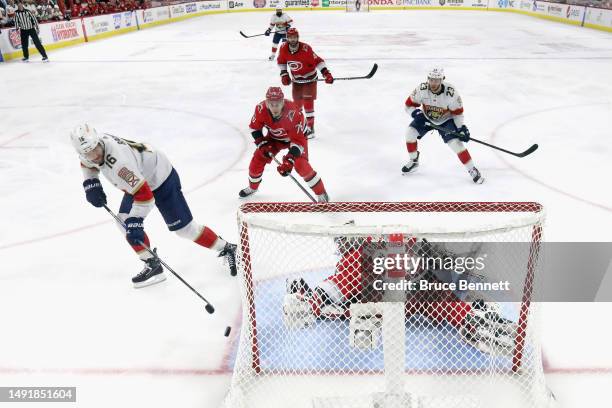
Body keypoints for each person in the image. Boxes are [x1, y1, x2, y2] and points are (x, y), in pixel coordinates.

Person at [283, 234, 516, 355]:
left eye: (343, 244)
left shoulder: (354, 259)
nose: (341, 249)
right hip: (416, 293)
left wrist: (311, 301)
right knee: (443, 302)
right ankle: (474, 319)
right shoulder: (377, 245)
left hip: (394, 301)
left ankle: (474, 318)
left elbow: (334, 288)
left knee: (351, 306)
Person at [70, 124, 237, 288]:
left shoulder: (120, 165)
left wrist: (136, 220)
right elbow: (87, 164)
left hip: (161, 178)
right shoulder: (90, 149)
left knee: (185, 230)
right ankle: (152, 264)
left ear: (98, 141)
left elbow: (145, 196)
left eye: (95, 150)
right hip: (139, 177)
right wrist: (91, 182)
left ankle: (228, 248)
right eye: (88, 153)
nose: (94, 156)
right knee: (123, 221)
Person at [238, 86, 329, 203]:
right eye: (271, 104)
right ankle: (252, 187)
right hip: (275, 138)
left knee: (300, 165)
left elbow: (298, 142)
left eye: (277, 104)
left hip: (297, 139)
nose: (274, 107)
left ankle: (321, 193)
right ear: (266, 103)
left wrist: (289, 160)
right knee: (258, 158)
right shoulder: (260, 109)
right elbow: (254, 128)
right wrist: (262, 144)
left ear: (283, 102)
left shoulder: (293, 112)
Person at [403, 68, 484, 184]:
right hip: (426, 118)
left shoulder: (451, 93)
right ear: (428, 79)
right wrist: (415, 113)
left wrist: (461, 128)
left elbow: (458, 113)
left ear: (442, 80)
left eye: (436, 80)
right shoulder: (422, 89)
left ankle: (472, 169)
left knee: (456, 144)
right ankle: (414, 161)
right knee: (410, 133)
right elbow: (408, 105)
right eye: (431, 80)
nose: (433, 83)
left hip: (446, 120)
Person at [277, 28, 333, 139]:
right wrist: (284, 74)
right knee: (297, 106)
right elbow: (282, 62)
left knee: (308, 103)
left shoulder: (306, 49)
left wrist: (326, 73)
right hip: (297, 80)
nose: (292, 39)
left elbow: (319, 61)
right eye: (290, 37)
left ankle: (311, 129)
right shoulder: (283, 48)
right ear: (287, 38)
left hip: (310, 79)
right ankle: (300, 126)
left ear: (298, 37)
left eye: (294, 37)